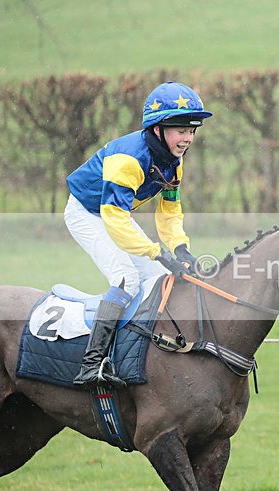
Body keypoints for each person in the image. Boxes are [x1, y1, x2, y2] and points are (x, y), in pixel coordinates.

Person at [64, 81, 210, 386]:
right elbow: (114, 218)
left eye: (192, 130)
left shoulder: (174, 162)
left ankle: (141, 349)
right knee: (126, 279)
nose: (188, 138)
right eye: (181, 130)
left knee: (158, 278)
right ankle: (90, 364)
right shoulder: (128, 159)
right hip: (87, 213)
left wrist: (180, 248)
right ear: (157, 129)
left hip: (115, 214)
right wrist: (156, 251)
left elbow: (169, 212)